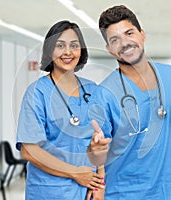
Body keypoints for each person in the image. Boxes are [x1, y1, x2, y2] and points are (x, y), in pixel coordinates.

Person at [87, 5, 171, 199]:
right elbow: (96, 153)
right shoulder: (104, 94)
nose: (124, 43)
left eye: (129, 33)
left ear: (142, 34)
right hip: (124, 192)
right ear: (109, 49)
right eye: (115, 39)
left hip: (169, 190)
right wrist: (95, 150)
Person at [16, 20, 105, 200]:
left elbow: (101, 142)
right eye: (60, 45)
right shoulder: (37, 92)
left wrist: (100, 183)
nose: (68, 52)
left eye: (74, 45)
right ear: (50, 50)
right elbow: (29, 149)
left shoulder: (93, 90)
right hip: (50, 191)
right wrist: (76, 173)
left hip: (88, 190)